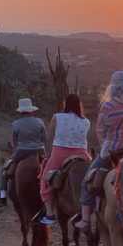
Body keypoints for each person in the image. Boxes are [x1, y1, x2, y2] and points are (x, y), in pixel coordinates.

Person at [74, 71, 123, 232]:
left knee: (88, 180)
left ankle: (85, 219)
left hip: (117, 152)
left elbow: (101, 130)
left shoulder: (109, 105)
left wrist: (106, 146)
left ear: (113, 86)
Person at [38, 94, 92, 225]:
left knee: (45, 179)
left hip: (60, 151)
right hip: (82, 154)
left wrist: (49, 153)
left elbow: (49, 137)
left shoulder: (57, 117)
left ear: (65, 104)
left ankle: (50, 214)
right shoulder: (86, 121)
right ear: (79, 105)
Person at [0, 98, 46, 204]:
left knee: (4, 170)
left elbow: (14, 142)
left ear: (20, 111)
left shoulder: (16, 124)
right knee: (50, 169)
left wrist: (15, 151)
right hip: (39, 151)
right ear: (32, 110)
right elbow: (44, 139)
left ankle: (2, 197)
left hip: (22, 151)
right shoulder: (40, 121)